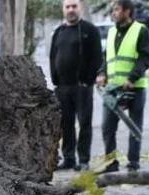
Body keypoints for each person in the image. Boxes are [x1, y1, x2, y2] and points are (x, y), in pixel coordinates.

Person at [96, 0, 149, 173]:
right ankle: (111, 163)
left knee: (134, 127)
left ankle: (133, 162)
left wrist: (132, 78)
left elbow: (144, 58)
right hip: (112, 89)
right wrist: (102, 73)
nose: (114, 12)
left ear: (127, 11)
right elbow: (107, 58)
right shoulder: (112, 32)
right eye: (113, 9)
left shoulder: (140, 31)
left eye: (117, 9)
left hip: (134, 87)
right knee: (107, 127)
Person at [49, 0, 103, 171]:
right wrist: (55, 80)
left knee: (84, 123)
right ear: (63, 9)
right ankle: (69, 158)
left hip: (82, 86)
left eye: (74, 6)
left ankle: (84, 160)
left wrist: (89, 80)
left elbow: (97, 57)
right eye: (67, 7)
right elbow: (52, 56)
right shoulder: (58, 32)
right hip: (62, 87)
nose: (71, 10)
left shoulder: (89, 30)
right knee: (66, 124)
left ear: (80, 8)